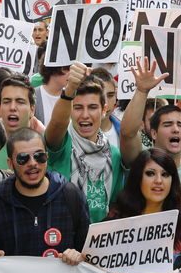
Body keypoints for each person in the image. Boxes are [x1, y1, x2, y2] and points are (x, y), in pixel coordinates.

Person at [120, 58, 181, 239]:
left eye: (180, 124)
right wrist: (142, 90)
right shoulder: (141, 160)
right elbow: (128, 133)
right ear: (153, 133)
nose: (175, 129)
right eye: (168, 124)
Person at [0, 128, 90, 265]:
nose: (33, 163)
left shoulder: (71, 196)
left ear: (47, 157)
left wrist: (79, 256)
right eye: (23, 158)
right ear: (10, 164)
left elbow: (88, 254)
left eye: (39, 156)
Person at [45, 62, 124, 223]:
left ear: (104, 110)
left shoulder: (114, 154)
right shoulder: (62, 144)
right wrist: (69, 91)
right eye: (78, 107)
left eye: (93, 107)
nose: (85, 115)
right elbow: (58, 124)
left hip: (97, 241)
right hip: (62, 238)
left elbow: (113, 205)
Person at [107, 148, 181, 271]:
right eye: (150, 173)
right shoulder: (114, 222)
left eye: (165, 174)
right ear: (138, 178)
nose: (158, 181)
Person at [0, 73, 45, 170]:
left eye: (20, 102)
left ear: (32, 110)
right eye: (7, 101)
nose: (12, 107)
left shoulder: (46, 142)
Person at [90, 68, 120, 148]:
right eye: (100, 95)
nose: (105, 103)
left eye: (110, 95)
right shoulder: (71, 132)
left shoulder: (124, 131)